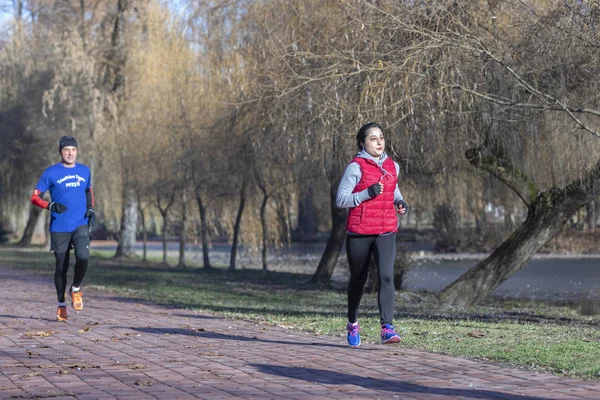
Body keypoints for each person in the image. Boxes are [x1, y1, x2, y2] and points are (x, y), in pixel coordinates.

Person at [336, 122, 408, 347]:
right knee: (358, 279)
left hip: (386, 230)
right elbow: (341, 199)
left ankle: (387, 328)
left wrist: (400, 201)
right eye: (373, 138)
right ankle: (352, 322)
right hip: (360, 232)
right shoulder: (355, 167)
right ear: (362, 143)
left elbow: (394, 189)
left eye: (381, 137)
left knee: (387, 276)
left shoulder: (392, 165)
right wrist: (366, 193)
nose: (379, 142)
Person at [30, 136, 96, 322]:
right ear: (61, 152)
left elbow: (88, 191)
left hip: (80, 223)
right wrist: (50, 206)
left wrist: (90, 208)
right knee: (61, 266)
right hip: (59, 226)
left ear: (77, 151)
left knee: (83, 256)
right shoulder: (51, 172)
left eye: (73, 150)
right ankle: (61, 304)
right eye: (66, 150)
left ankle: (75, 288)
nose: (70, 153)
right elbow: (35, 197)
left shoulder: (84, 170)